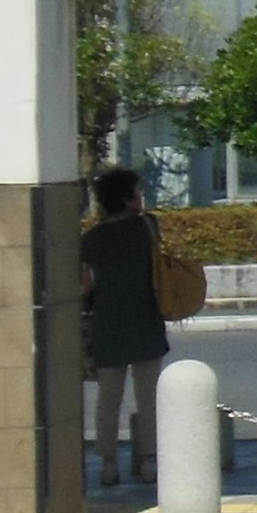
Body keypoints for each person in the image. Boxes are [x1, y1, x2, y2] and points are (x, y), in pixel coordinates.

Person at [79, 166, 173, 488]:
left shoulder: (90, 240)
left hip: (108, 321)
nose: (141, 197)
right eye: (137, 192)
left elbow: (85, 286)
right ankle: (149, 461)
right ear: (127, 198)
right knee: (149, 396)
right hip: (146, 317)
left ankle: (108, 463)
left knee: (109, 396)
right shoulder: (148, 226)